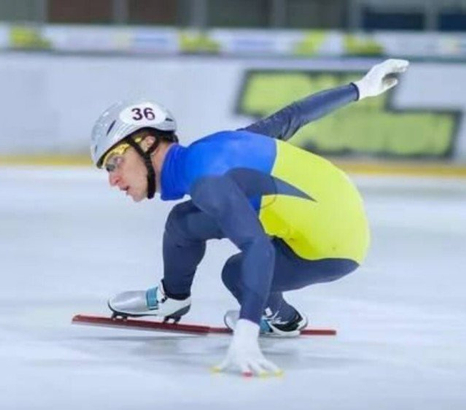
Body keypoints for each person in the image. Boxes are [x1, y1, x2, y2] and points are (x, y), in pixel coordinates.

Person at [90, 59, 409, 376]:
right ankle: (173, 297)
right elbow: (293, 117)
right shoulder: (211, 149)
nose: (113, 179)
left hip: (336, 245)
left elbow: (259, 248)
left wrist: (246, 335)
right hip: (333, 200)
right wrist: (361, 88)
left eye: (114, 162)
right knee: (183, 221)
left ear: (147, 143)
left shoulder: (207, 180)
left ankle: (284, 319)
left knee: (237, 272)